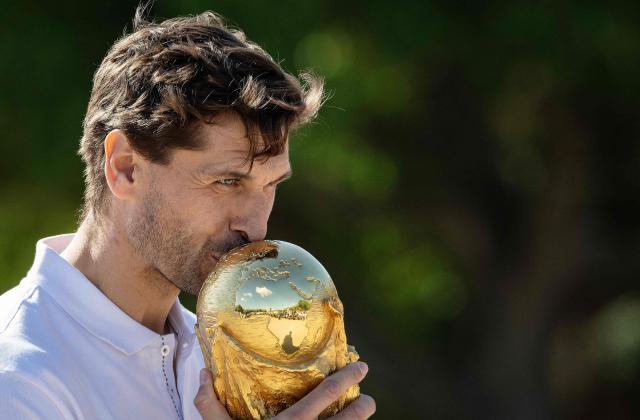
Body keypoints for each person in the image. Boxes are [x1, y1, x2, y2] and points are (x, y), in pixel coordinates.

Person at [0, 6, 376, 420]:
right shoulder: (18, 379)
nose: (255, 227)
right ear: (124, 167)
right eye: (227, 182)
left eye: (271, 185)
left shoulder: (225, 349)